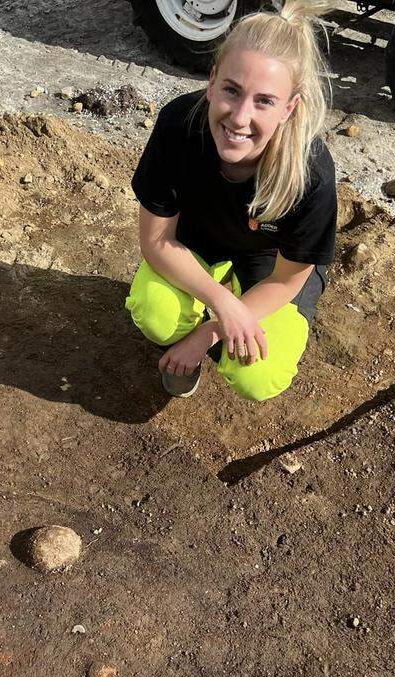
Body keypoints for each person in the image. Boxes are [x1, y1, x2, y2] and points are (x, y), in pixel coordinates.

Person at [127, 0, 336, 401]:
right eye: (231, 90)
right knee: (155, 314)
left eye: (264, 101)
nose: (240, 117)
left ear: (289, 108)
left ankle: (216, 329)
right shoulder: (178, 126)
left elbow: (287, 278)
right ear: (211, 81)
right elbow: (156, 241)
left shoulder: (311, 174)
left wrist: (209, 331)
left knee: (258, 375)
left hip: (271, 265)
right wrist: (222, 301)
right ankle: (217, 293)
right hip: (196, 239)